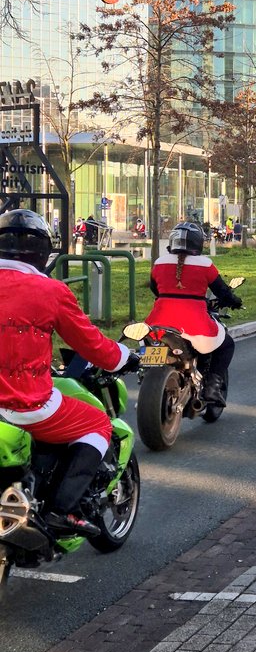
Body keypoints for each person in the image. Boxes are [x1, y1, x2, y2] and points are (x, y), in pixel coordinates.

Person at [0, 209, 139, 537]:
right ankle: (61, 510)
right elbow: (93, 345)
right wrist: (126, 357)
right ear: (42, 252)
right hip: (24, 404)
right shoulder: (50, 291)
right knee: (98, 424)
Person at [146, 221, 243, 407]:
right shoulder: (205, 264)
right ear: (198, 242)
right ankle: (212, 387)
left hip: (158, 320)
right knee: (226, 345)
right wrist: (235, 301)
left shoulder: (159, 262)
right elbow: (222, 291)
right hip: (194, 322)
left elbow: (155, 289)